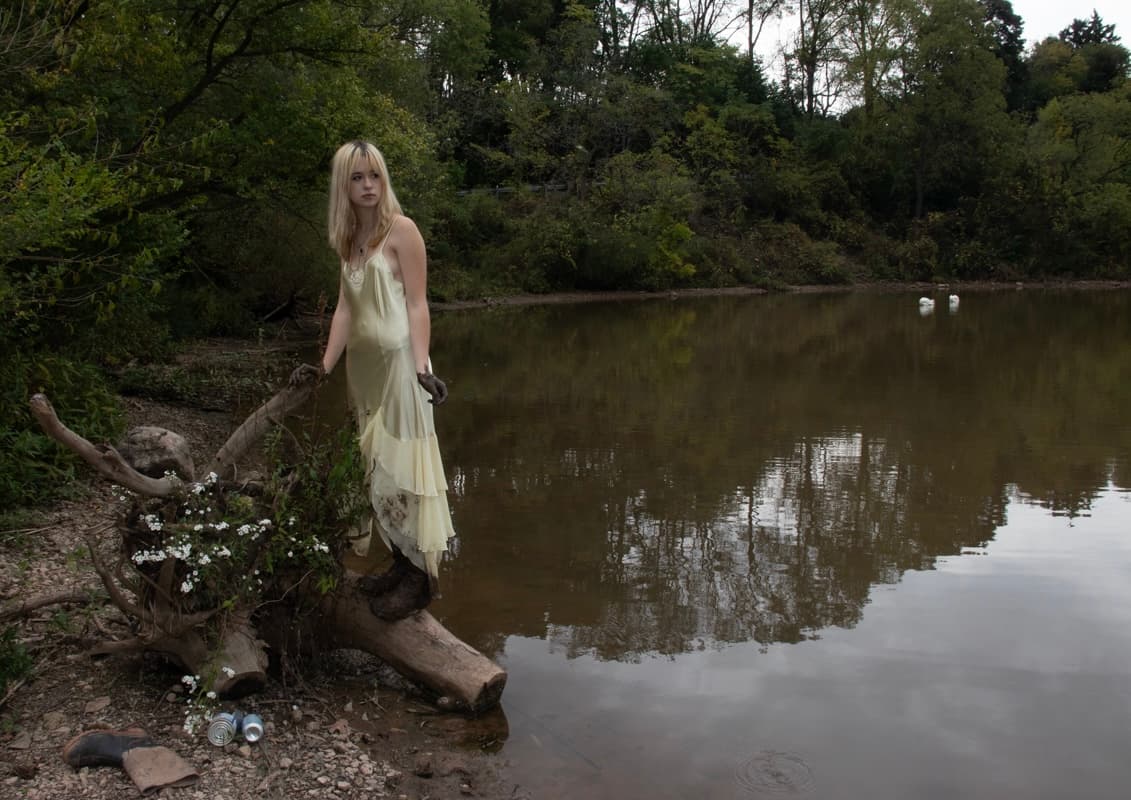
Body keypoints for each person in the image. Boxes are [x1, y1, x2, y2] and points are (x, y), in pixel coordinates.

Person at [294, 140, 455, 619]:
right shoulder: (349, 241)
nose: (368, 186)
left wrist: (423, 367)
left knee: (406, 466)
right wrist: (323, 365)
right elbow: (346, 308)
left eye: (375, 176)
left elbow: (417, 304)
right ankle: (399, 561)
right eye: (357, 178)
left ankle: (421, 579)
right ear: (343, 185)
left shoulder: (401, 231)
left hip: (401, 369)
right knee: (373, 467)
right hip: (361, 372)